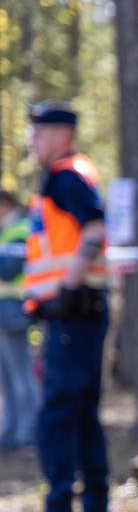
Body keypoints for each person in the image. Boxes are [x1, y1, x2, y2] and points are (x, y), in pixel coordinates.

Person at [9, 101, 111, 512]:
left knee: (56, 417)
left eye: (38, 134)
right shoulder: (76, 173)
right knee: (85, 416)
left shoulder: (65, 176)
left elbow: (94, 228)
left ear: (61, 135)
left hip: (74, 313)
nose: (33, 142)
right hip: (80, 314)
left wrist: (67, 288)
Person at [0, 189, 37, 451]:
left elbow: (9, 270)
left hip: (15, 310)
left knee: (21, 373)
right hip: (5, 310)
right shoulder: (6, 229)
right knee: (7, 377)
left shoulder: (21, 228)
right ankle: (11, 430)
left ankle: (28, 429)